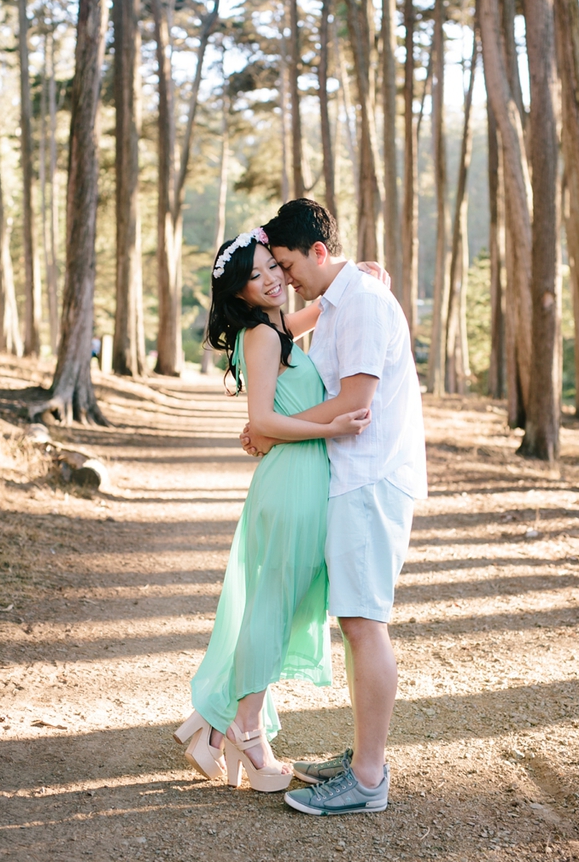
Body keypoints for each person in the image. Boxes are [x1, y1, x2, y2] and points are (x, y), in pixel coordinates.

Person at [241, 199, 427, 816]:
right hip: (349, 478)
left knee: (364, 622)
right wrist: (269, 424)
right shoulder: (346, 301)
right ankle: (362, 758)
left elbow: (355, 399)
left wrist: (273, 427)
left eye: (289, 265)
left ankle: (369, 780)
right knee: (354, 621)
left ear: (319, 253)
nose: (286, 278)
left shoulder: (365, 305)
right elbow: (304, 373)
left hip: (372, 480)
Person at [173, 226, 371, 794]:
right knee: (273, 612)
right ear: (239, 295)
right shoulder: (261, 337)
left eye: (271, 267)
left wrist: (358, 270)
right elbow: (262, 422)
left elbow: (321, 309)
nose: (271, 281)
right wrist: (329, 424)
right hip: (292, 484)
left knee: (274, 609)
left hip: (300, 479)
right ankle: (243, 731)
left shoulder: (278, 327)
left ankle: (214, 722)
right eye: (255, 278)